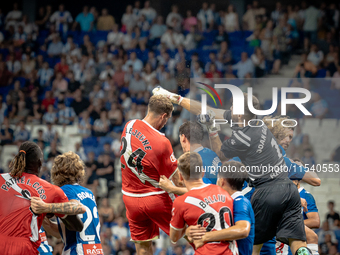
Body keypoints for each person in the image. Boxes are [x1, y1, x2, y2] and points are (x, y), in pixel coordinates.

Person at [152, 88, 312, 255]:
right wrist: (174, 98)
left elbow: (221, 154)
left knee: (253, 249)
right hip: (289, 190)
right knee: (298, 243)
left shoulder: (243, 137)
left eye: (234, 107)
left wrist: (212, 129)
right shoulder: (256, 123)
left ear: (241, 114)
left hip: (266, 192)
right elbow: (207, 110)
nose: (230, 108)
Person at [0, 141, 85, 255]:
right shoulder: (51, 190)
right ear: (40, 163)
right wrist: (49, 208)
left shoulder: (1, 179)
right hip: (24, 248)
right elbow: (76, 226)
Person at [120, 95, 180, 255]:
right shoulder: (162, 142)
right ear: (163, 116)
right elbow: (176, 179)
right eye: (167, 119)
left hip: (130, 199)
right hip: (156, 199)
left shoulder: (129, 125)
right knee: (192, 233)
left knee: (143, 247)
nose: (166, 123)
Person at [169, 152, 237, 255]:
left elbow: (174, 237)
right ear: (203, 172)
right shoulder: (223, 191)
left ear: (180, 176)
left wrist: (187, 231)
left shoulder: (181, 202)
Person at [186, 161, 255, 255]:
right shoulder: (225, 203)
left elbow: (243, 230)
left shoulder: (240, 202)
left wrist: (206, 237)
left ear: (222, 181)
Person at [42, 151, 102, 254]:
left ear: (57, 172)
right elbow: (61, 232)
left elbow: (73, 206)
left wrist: (46, 207)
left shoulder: (64, 191)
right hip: (96, 249)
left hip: (77, 249)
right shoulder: (89, 192)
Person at [159, 121, 222, 196]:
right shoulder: (211, 153)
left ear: (183, 137)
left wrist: (171, 188)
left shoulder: (196, 160)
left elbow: (202, 190)